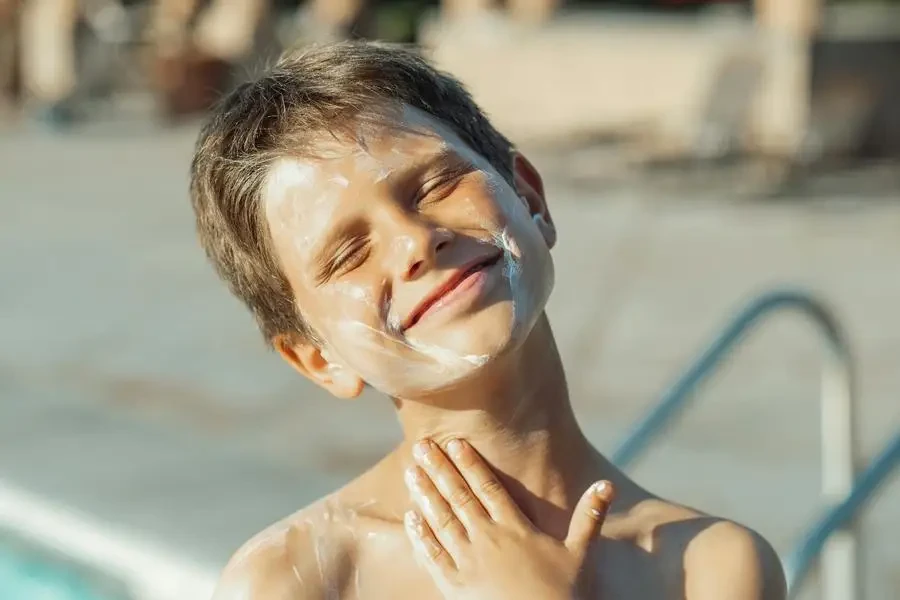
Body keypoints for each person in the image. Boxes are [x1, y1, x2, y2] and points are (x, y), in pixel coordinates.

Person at [190, 41, 785, 599]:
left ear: (529, 197)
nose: (415, 242)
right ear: (319, 357)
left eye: (437, 184)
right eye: (348, 253)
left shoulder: (709, 567)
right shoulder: (299, 577)